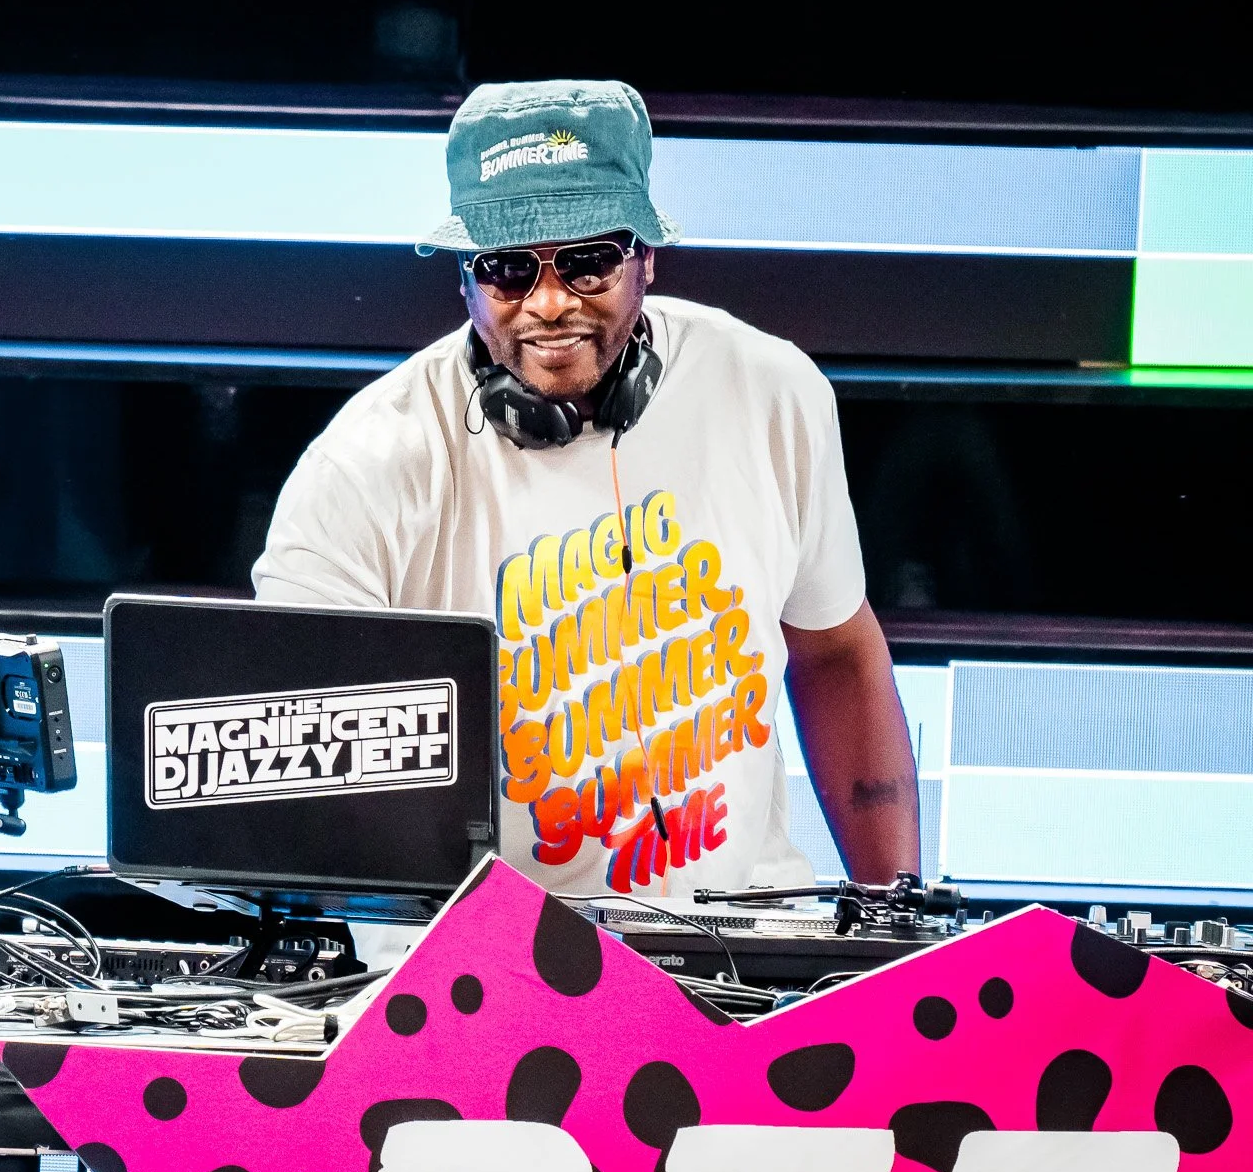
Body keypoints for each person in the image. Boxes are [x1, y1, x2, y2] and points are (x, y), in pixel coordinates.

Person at [252, 79, 917, 896]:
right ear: (464, 280)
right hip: (478, 957)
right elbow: (304, 785)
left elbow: (837, 651)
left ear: (647, 256)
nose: (549, 302)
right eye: (508, 269)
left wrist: (898, 918)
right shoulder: (361, 470)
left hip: (743, 943)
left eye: (588, 262)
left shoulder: (770, 391)